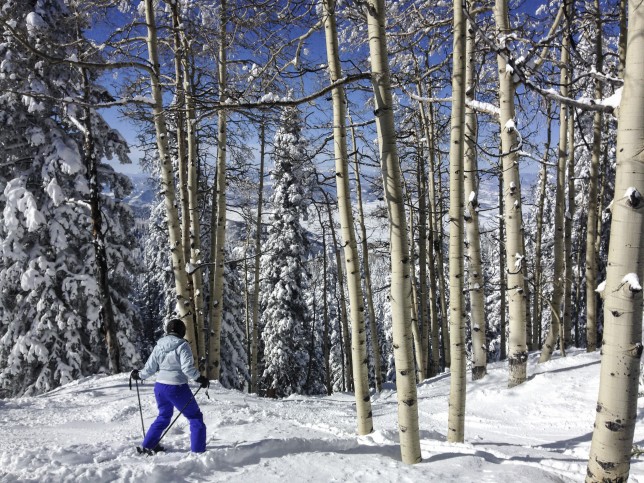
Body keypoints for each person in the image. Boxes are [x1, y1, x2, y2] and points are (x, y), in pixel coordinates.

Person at [130, 318, 210, 453]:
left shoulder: (159, 345)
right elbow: (186, 368)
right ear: (182, 331)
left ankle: (148, 445)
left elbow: (149, 368)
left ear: (168, 331)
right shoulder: (182, 346)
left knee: (164, 416)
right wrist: (199, 378)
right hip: (177, 387)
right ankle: (198, 451)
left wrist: (139, 375)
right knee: (195, 417)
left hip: (160, 387)